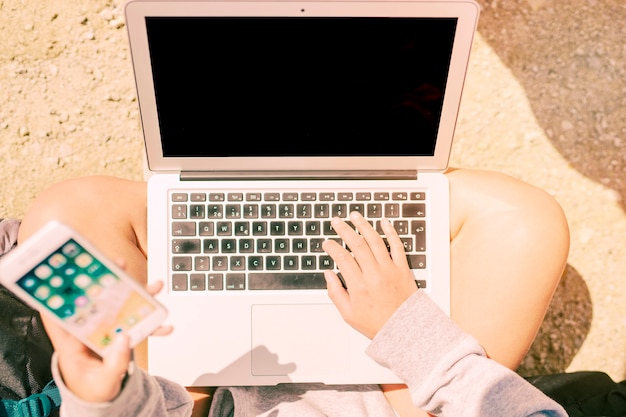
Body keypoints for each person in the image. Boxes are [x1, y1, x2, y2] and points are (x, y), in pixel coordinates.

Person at [16, 168, 571, 416]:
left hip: (182, 407)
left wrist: (103, 400)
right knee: (524, 220)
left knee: (69, 212)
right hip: (390, 406)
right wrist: (406, 327)